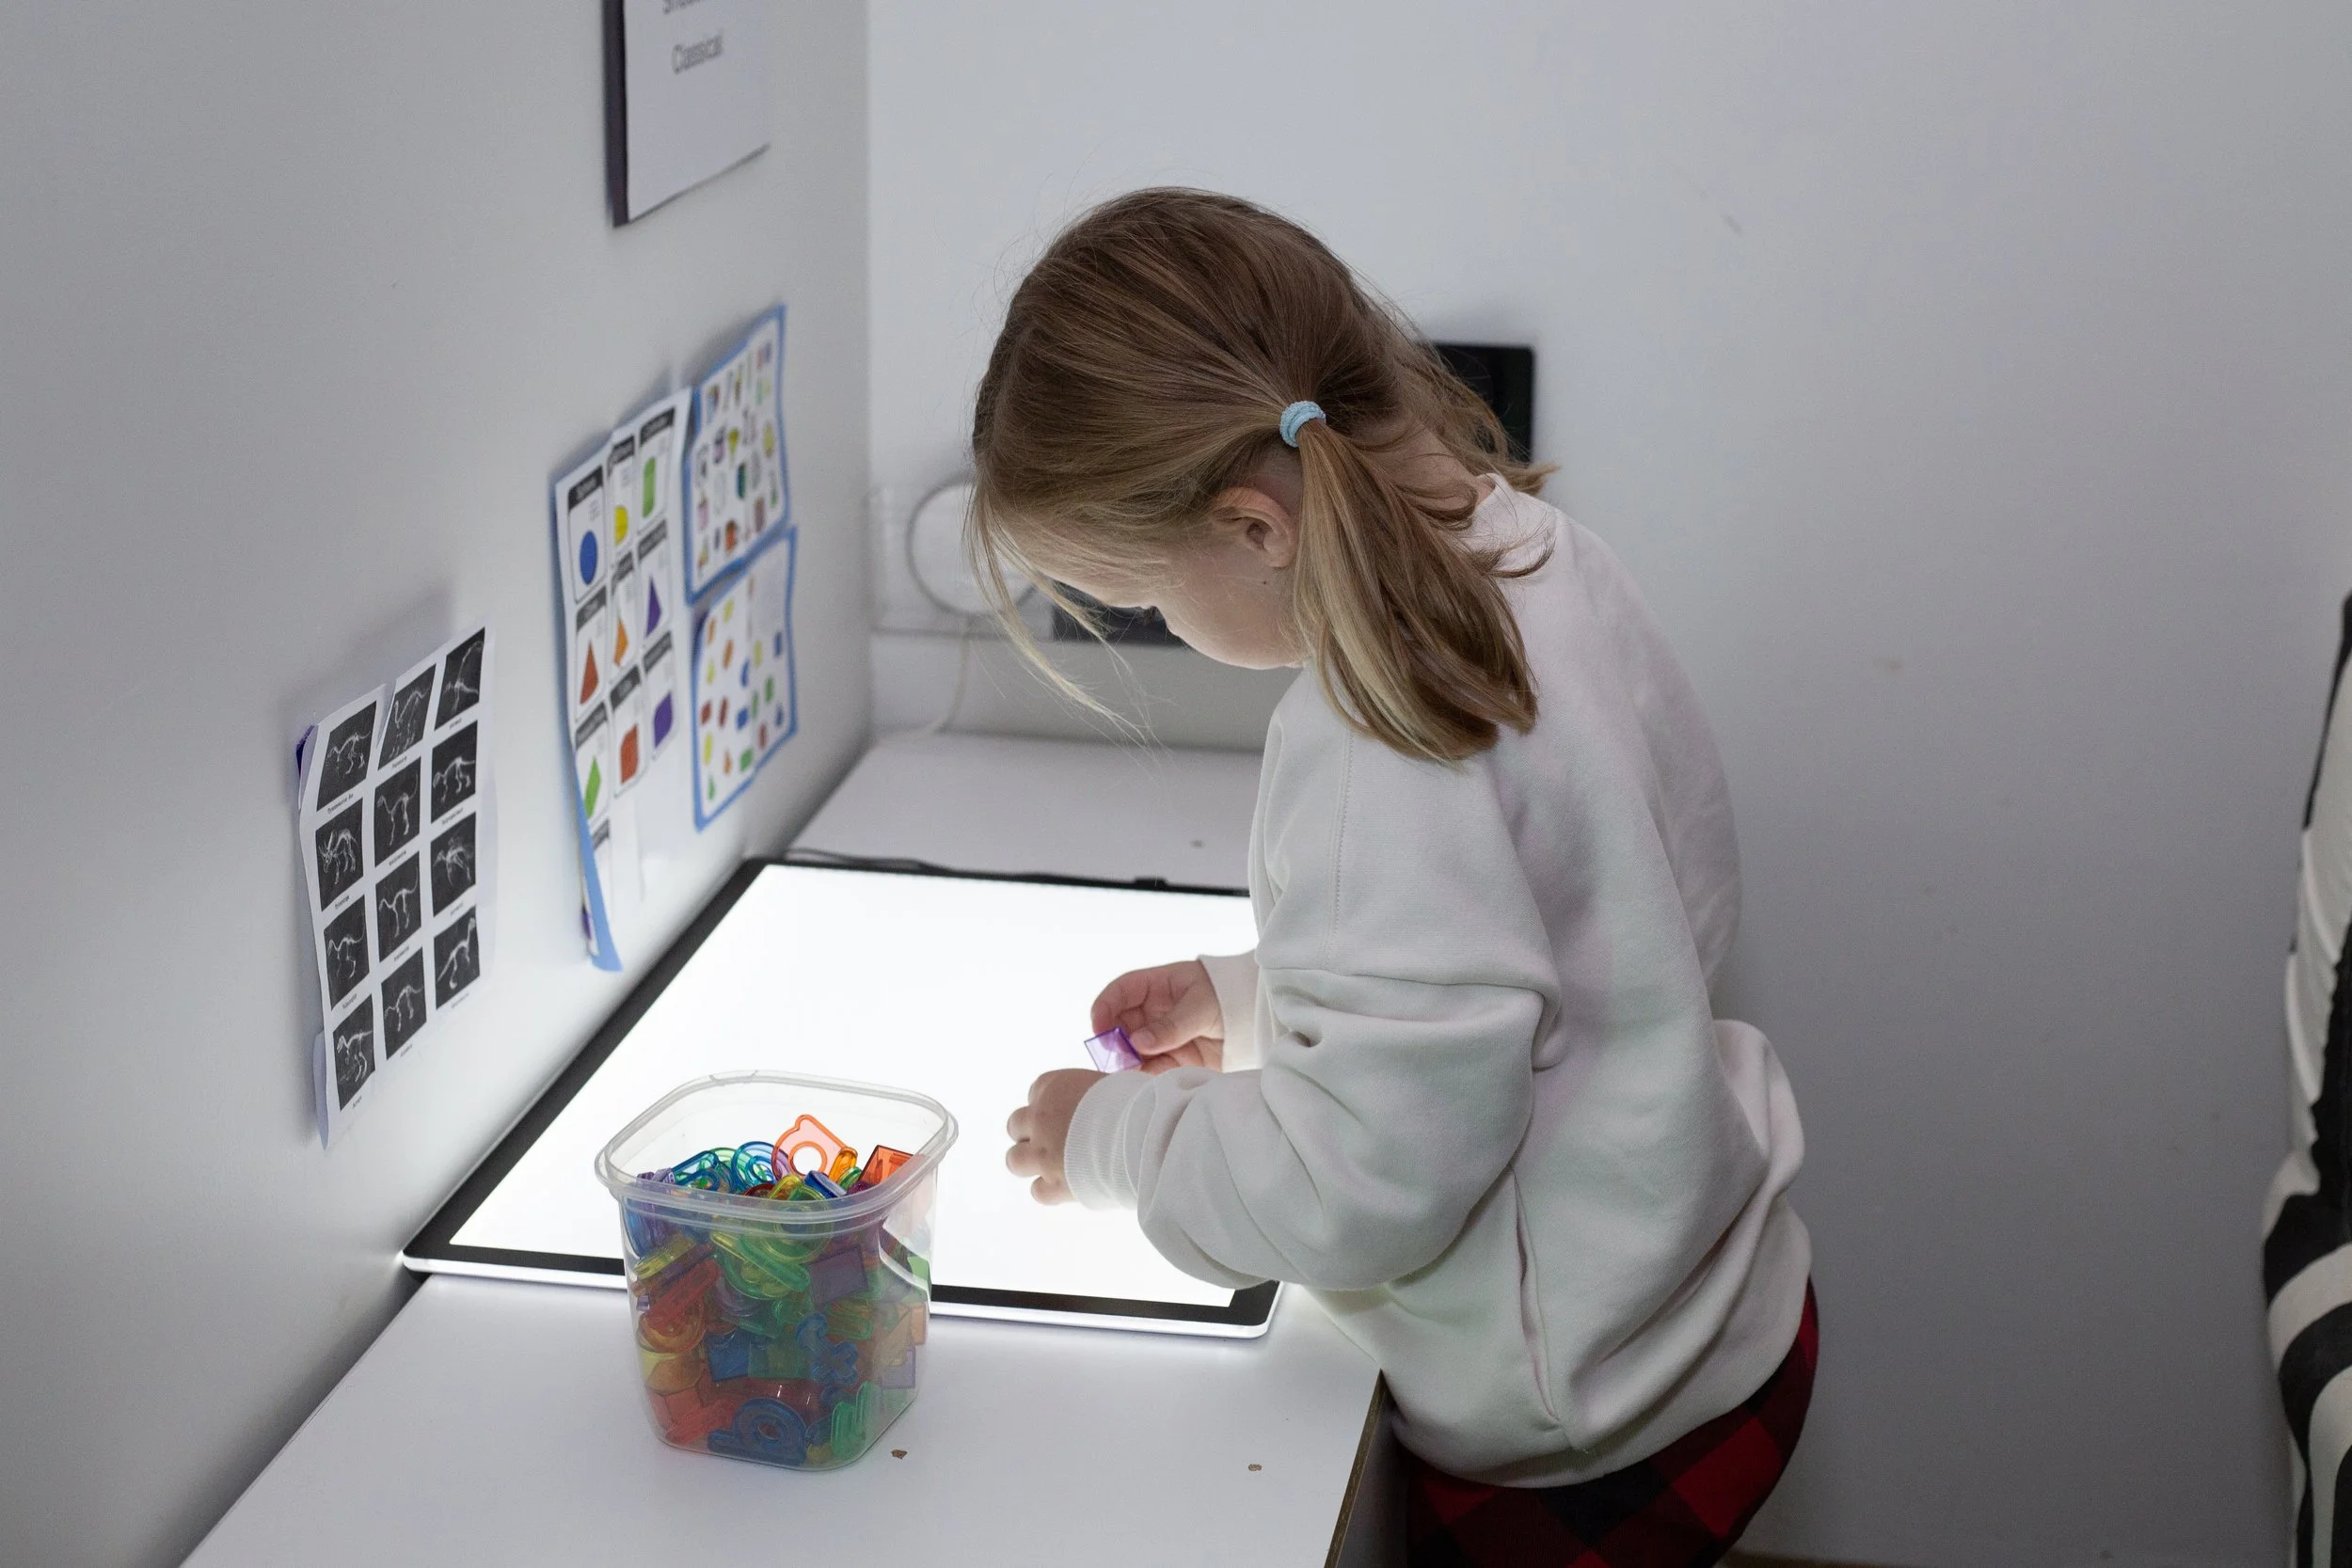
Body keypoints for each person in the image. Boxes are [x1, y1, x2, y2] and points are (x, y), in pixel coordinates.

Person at [979, 188, 1812, 1567]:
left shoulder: (1377, 745)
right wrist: (1260, 995)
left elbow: (1357, 1184)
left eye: (1145, 599)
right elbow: (1581, 917)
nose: (1158, 627)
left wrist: (1107, 1141)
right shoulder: (1535, 558)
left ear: (1255, 528)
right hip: (1721, 1302)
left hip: (1585, 1433)